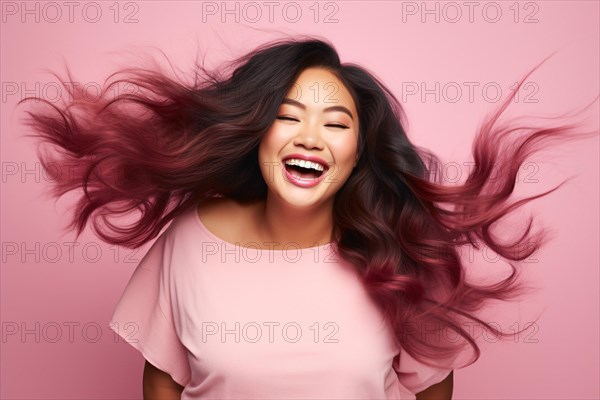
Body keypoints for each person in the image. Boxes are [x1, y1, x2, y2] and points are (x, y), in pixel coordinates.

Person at [19, 35, 597, 399]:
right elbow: (163, 379)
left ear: (359, 151)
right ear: (258, 131)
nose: (312, 138)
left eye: (337, 124)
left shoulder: (400, 246)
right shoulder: (192, 239)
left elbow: (432, 385)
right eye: (289, 116)